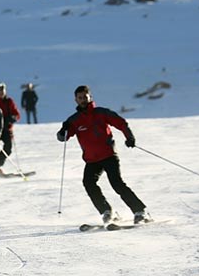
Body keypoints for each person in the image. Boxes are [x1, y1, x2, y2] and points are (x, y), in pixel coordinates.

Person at [57, 85, 152, 224]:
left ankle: (140, 211)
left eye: (85, 97)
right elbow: (62, 138)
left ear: (90, 97)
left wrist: (129, 137)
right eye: (80, 98)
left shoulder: (101, 112)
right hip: (92, 160)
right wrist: (62, 130)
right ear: (76, 100)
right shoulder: (74, 120)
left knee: (117, 184)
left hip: (108, 156)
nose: (83, 100)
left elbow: (121, 123)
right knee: (89, 183)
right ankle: (107, 211)